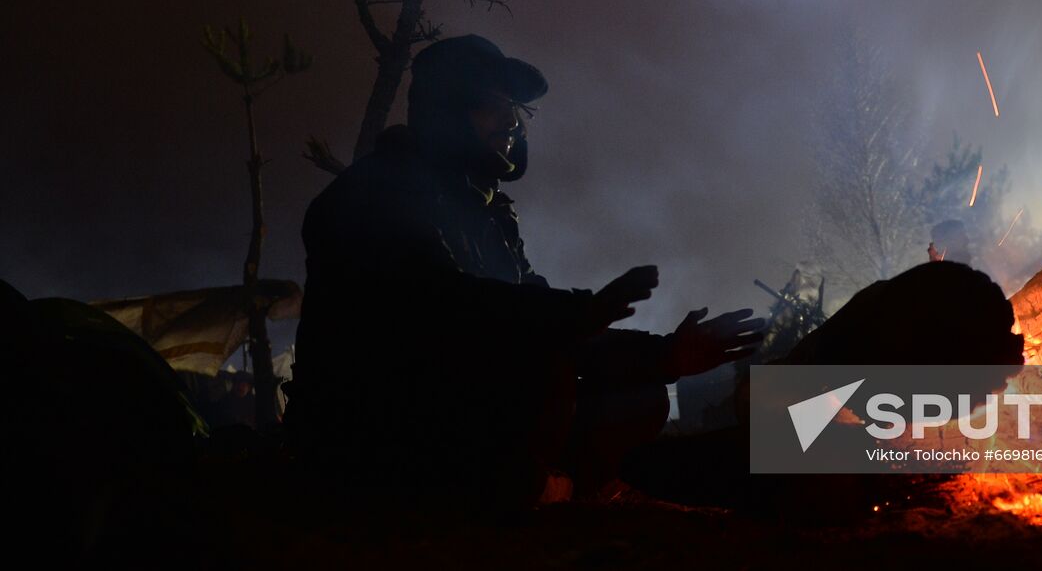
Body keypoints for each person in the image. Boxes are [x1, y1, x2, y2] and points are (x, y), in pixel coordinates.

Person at [286, 35, 763, 504]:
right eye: (495, 107)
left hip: (450, 410)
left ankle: (570, 488)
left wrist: (667, 356)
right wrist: (577, 312)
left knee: (643, 396)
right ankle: (516, 490)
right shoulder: (378, 194)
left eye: (517, 110)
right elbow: (444, 311)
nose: (512, 124)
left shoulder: (485, 208)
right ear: (448, 112)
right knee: (545, 365)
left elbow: (537, 315)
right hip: (370, 428)